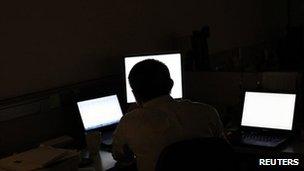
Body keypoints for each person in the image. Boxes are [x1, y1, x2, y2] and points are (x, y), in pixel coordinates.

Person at [112, 59, 226, 171]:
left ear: (134, 94)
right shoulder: (207, 112)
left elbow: (119, 156)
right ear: (171, 84)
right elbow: (223, 149)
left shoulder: (129, 122)